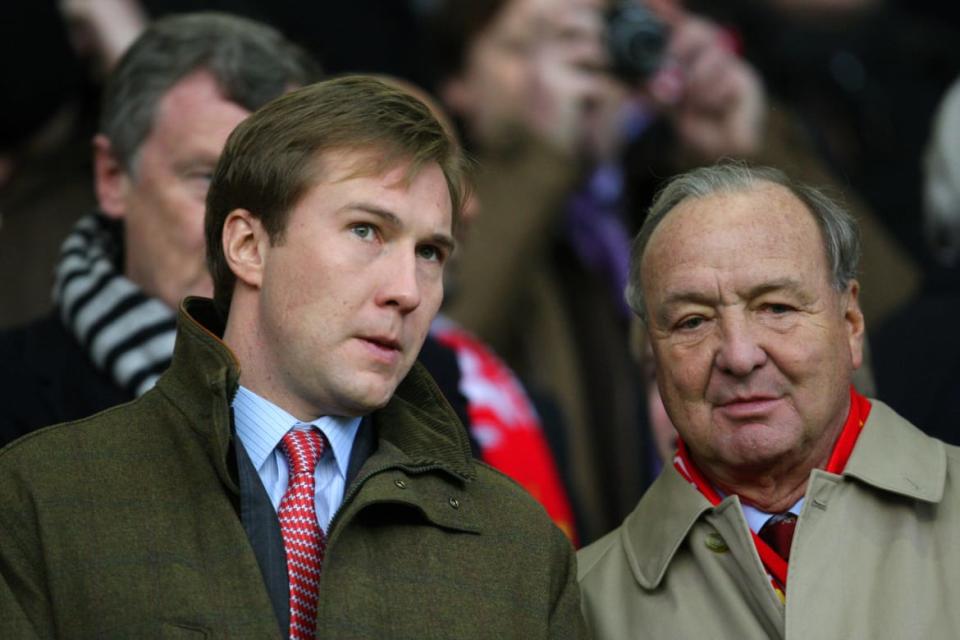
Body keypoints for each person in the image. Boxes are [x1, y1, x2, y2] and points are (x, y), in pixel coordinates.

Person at [0, 75, 584, 639]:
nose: (407, 289)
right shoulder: (41, 499)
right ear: (248, 247)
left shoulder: (522, 550)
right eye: (366, 231)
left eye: (430, 251)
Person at [577, 162, 960, 638]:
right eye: (693, 321)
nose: (739, 356)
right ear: (654, 354)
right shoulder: (582, 604)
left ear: (851, 324)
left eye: (777, 307)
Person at [0, 13, 318, 445]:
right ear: (113, 176)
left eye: (279, 189)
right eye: (209, 181)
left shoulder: (394, 390)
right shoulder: (13, 398)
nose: (248, 232)